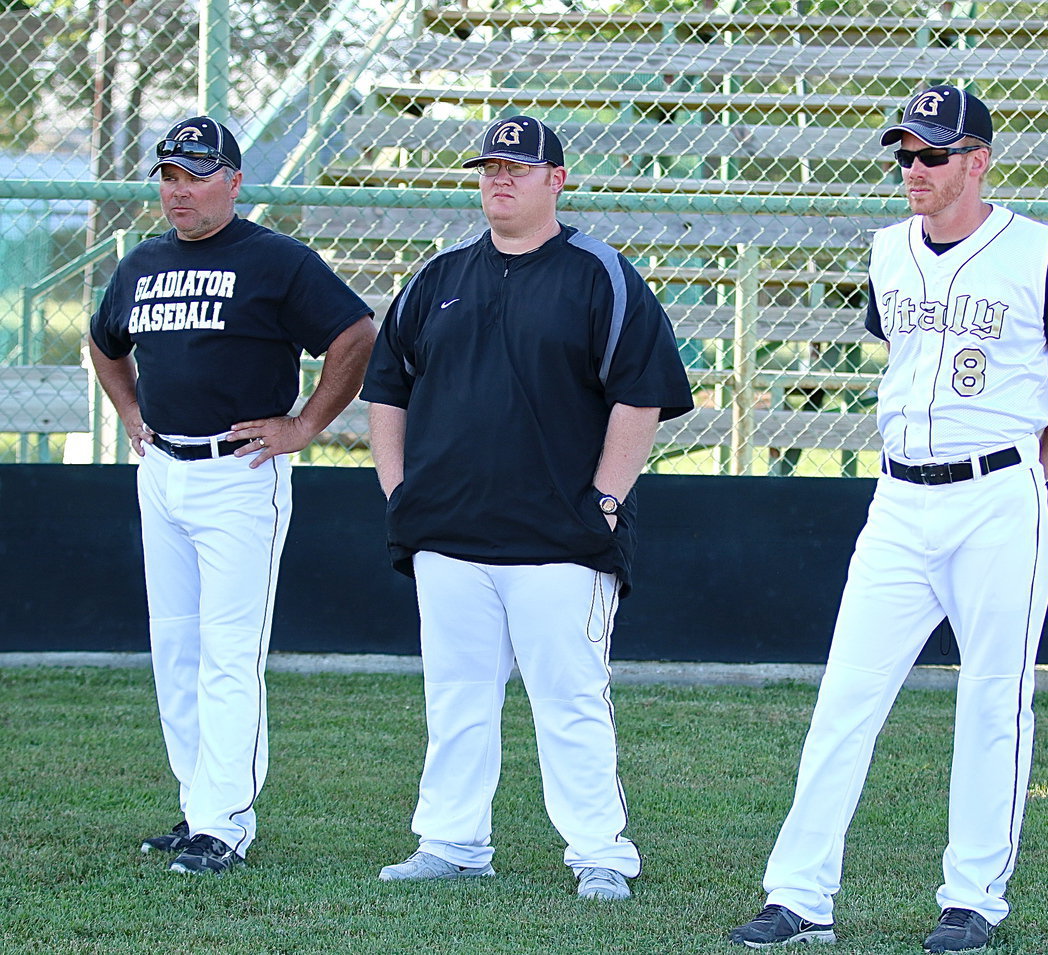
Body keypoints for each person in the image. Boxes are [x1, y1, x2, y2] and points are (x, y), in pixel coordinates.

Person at [727, 86, 1048, 951]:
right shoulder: (887, 250)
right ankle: (798, 896)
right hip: (898, 498)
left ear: (978, 161)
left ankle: (973, 898)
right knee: (846, 696)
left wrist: (1023, 475)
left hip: (997, 495)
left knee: (993, 700)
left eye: (933, 153)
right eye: (905, 153)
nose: (915, 169)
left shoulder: (1038, 253)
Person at [360, 115, 693, 900]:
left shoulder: (600, 273)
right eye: (489, 167)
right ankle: (451, 841)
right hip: (450, 533)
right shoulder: (438, 276)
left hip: (560, 537)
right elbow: (386, 387)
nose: (499, 178)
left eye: (518, 165)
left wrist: (605, 502)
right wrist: (398, 492)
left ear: (557, 179)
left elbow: (641, 396)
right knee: (456, 695)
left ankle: (601, 851)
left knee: (571, 697)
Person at [88, 116, 376, 875]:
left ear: (234, 179)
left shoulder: (276, 260)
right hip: (165, 470)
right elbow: (103, 341)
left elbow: (354, 334)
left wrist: (307, 423)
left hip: (240, 471)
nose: (178, 191)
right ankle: (197, 809)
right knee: (175, 648)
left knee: (227, 653)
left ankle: (227, 822)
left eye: (194, 175)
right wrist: (128, 412)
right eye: (169, 177)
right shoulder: (140, 263)